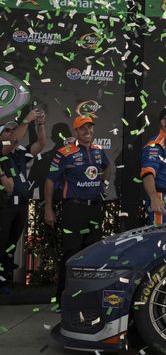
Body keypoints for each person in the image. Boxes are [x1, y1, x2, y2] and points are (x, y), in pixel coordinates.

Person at [44, 115, 110, 306]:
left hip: (95, 208)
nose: (87, 131)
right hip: (73, 208)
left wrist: (103, 183)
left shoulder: (98, 150)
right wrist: (48, 208)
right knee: (71, 253)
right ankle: (62, 300)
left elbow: (107, 168)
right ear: (76, 131)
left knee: (93, 253)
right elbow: (49, 180)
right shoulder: (64, 152)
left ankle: (87, 298)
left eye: (90, 128)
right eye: (83, 129)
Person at [0, 109, 46, 295]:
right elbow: (10, 143)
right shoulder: (1, 152)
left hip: (21, 206)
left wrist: (41, 124)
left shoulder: (19, 154)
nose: (11, 135)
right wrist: (26, 121)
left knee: (12, 244)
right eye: (7, 131)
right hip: (5, 205)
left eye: (13, 131)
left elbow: (41, 143)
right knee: (1, 244)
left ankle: (6, 281)